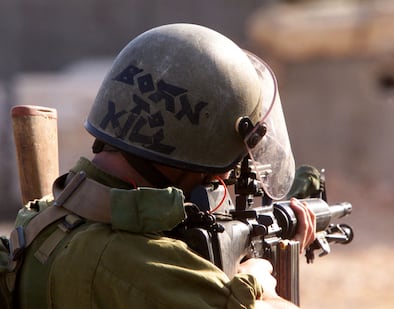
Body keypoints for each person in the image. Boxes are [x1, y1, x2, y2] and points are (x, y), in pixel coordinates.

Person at [13, 23, 316, 308]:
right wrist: (259, 281)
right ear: (197, 143)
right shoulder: (148, 267)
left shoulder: (35, 225)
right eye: (227, 169)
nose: (225, 178)